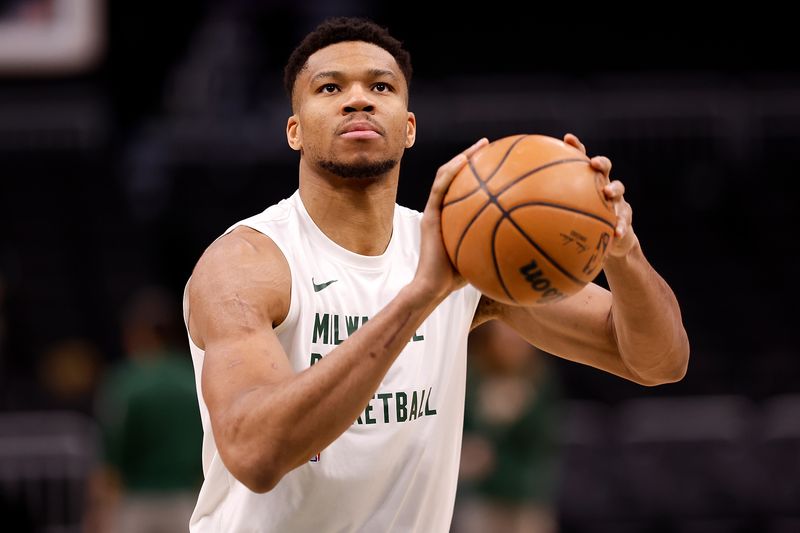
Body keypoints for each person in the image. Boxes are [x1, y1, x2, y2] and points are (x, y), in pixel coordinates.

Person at [183, 16, 690, 532]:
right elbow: (255, 452)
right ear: (294, 130)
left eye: (381, 86)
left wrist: (620, 251)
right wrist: (420, 295)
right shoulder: (245, 263)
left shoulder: (467, 254)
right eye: (330, 87)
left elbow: (656, 361)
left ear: (408, 128)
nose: (358, 99)